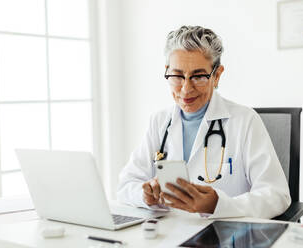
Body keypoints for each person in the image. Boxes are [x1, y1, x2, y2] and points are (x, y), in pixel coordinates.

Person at [117, 25, 291, 218]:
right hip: (169, 234)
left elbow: (276, 195)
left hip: (225, 236)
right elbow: (126, 185)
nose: (185, 89)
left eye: (198, 76)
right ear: (167, 71)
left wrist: (218, 205)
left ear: (216, 75)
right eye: (177, 76)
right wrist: (145, 195)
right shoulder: (159, 122)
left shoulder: (245, 121)